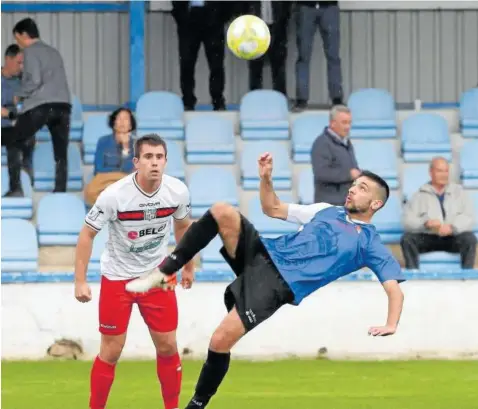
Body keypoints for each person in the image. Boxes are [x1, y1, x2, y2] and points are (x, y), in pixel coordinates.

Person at [126, 152, 406, 409]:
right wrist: (265, 179)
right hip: (261, 254)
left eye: (362, 188)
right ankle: (167, 269)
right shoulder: (325, 210)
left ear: (375, 203)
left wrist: (391, 324)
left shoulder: (370, 243)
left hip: (276, 285)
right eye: (354, 185)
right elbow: (272, 208)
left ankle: (196, 405)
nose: (353, 189)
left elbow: (394, 290)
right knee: (223, 211)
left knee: (220, 341)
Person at [74, 134, 195, 409]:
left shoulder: (177, 191)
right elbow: (86, 234)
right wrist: (79, 281)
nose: (154, 163)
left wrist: (189, 265)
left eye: (159, 157)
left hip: (157, 277)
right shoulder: (114, 196)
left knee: (167, 345)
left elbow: (183, 228)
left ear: (165, 161)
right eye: (148, 157)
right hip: (118, 279)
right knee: (111, 350)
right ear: (136, 162)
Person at [6, 18, 72, 196]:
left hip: (42, 106)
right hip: (64, 106)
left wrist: (19, 93)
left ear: (23, 35)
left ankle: (16, 189)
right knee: (61, 153)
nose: (17, 41)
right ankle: (60, 193)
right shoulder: (54, 52)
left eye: (17, 37)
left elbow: (34, 80)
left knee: (13, 140)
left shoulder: (30, 51)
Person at [401, 157, 477, 269]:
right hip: (428, 237)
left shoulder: (459, 193)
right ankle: (413, 277)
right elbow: (407, 221)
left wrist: (452, 227)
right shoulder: (419, 195)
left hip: (452, 237)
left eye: (446, 171)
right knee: (407, 239)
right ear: (431, 172)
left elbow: (469, 216)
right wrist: (425, 223)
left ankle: (467, 277)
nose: (444, 174)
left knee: (470, 239)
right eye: (440, 171)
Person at [171, 1, 231, 110]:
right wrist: (181, 16)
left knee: (216, 64)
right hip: (189, 18)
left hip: (213, 17)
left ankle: (218, 101)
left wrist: (221, 17)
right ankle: (188, 101)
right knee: (186, 62)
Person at [311, 105, 360, 205]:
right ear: (332, 123)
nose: (348, 127)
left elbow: (353, 169)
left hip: (346, 205)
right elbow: (321, 173)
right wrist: (349, 175)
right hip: (329, 206)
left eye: (349, 123)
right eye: (344, 123)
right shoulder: (322, 143)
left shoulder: (347, 143)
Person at [1, 44, 24, 190]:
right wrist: (10, 113)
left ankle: (15, 189)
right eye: (18, 62)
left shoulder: (22, 82)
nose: (21, 66)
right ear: (8, 60)